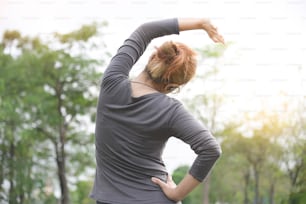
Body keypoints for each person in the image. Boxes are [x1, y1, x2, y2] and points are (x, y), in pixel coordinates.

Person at [90, 18, 224, 204]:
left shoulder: (111, 83)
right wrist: (177, 194)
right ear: (172, 85)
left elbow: (144, 31)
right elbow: (210, 149)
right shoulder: (169, 110)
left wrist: (200, 24)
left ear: (153, 57)